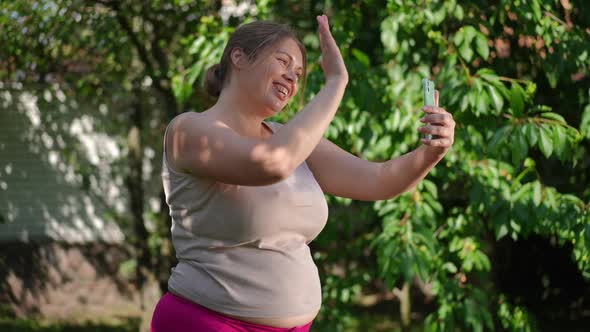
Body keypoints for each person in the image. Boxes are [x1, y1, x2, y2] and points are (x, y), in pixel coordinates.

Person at [151, 14, 454, 332]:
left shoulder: (289, 138)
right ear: (238, 56)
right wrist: (336, 82)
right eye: (283, 62)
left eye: (298, 73)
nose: (292, 79)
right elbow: (273, 163)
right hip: (207, 321)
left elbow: (379, 180)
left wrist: (430, 153)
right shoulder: (189, 130)